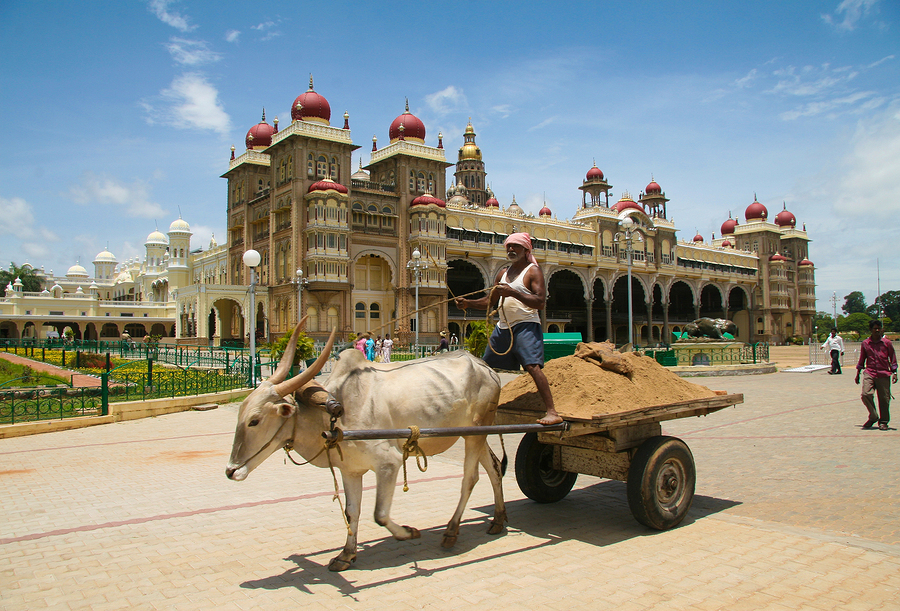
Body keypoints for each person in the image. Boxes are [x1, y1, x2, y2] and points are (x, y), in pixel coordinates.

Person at [455, 232, 561, 425]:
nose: (511, 249)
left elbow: (540, 302)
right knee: (484, 368)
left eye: (516, 246)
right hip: (503, 327)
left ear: (526, 250)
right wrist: (468, 303)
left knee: (532, 367)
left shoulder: (533, 271)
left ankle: (552, 411)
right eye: (509, 246)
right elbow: (489, 301)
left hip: (526, 325)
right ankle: (478, 409)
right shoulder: (502, 273)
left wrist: (513, 292)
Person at [855, 319, 897, 430]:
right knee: (866, 394)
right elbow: (862, 359)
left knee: (884, 398)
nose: (877, 330)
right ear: (870, 330)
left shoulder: (887, 343)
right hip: (870, 372)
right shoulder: (865, 343)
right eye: (875, 328)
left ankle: (883, 421)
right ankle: (873, 416)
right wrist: (858, 373)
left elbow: (892, 358)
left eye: (879, 328)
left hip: (883, 373)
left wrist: (895, 372)